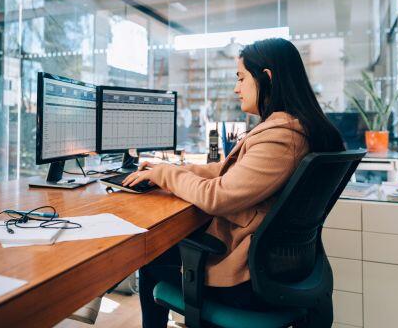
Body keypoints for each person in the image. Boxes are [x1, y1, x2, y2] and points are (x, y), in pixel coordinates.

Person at [123, 38, 345, 328]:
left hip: (247, 278)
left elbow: (218, 196)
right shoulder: (296, 129)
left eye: (241, 78)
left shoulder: (282, 138)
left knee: (149, 257)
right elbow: (228, 171)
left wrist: (165, 174)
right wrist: (173, 169)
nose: (236, 88)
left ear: (267, 78)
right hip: (279, 268)